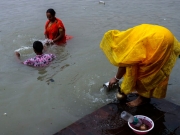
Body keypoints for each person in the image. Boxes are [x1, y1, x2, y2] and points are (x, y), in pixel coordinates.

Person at [100, 24, 180, 107]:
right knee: (138, 67)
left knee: (147, 75)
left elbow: (124, 65)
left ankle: (142, 99)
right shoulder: (126, 36)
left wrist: (116, 78)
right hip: (164, 33)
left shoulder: (131, 47)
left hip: (160, 42)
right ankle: (141, 91)